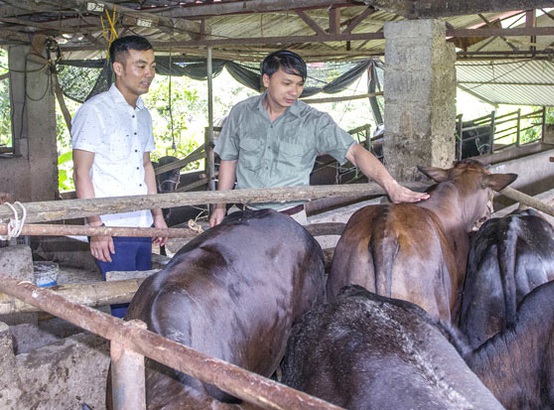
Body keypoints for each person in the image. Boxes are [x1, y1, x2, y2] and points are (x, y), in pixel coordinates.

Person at [209, 50, 428, 227]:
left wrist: (391, 185)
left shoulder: (314, 122)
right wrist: (220, 207)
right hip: (243, 215)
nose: (294, 91)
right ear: (266, 80)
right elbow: (229, 160)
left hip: (288, 219)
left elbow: (354, 152)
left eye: (299, 84)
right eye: (287, 83)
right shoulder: (241, 113)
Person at [71, 35, 167, 318]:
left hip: (141, 223)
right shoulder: (94, 112)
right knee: (122, 308)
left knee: (142, 297)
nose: (149, 73)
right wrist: (95, 226)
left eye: (152, 65)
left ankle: (139, 359)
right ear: (118, 68)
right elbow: (81, 172)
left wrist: (157, 216)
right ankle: (124, 360)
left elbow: (146, 166)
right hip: (112, 229)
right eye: (140, 66)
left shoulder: (143, 114)